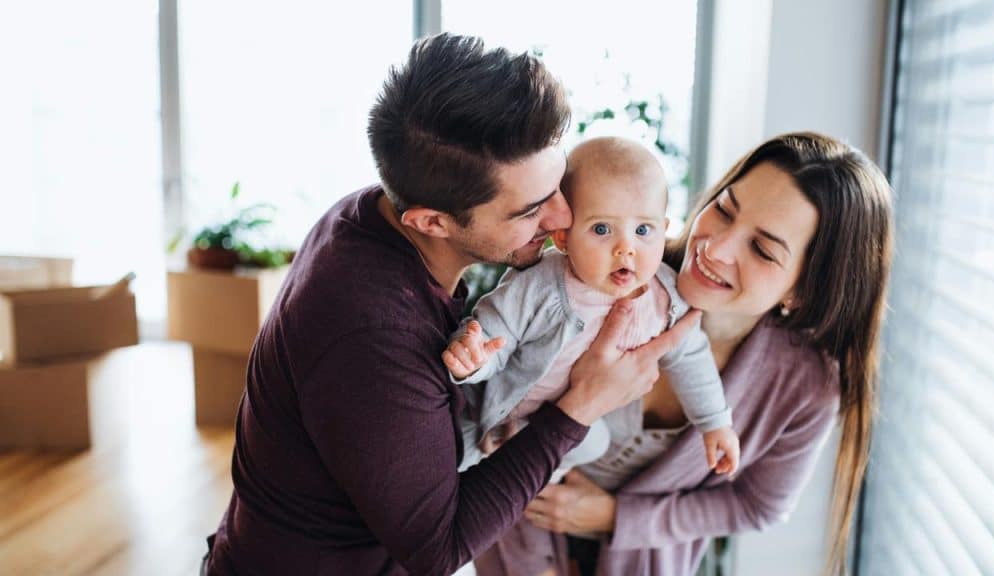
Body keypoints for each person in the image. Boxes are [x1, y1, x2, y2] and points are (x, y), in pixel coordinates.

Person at [201, 33, 699, 576]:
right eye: (532, 210)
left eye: (558, 187)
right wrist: (579, 408)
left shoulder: (376, 211)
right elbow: (439, 549)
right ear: (432, 222)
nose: (562, 218)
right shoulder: (372, 336)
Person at [474, 132, 893, 576]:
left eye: (762, 249)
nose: (716, 247)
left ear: (804, 290)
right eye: (725, 210)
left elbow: (757, 505)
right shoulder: (607, 275)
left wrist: (616, 517)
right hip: (514, 543)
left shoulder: (806, 388)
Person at [445, 137, 738, 484]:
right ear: (564, 237)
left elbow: (692, 358)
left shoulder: (667, 301)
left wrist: (715, 423)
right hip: (487, 408)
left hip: (555, 430)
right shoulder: (542, 285)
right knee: (443, 473)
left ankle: (534, 462)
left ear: (664, 230)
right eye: (602, 229)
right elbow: (494, 332)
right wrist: (475, 357)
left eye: (643, 230)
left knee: (595, 442)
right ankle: (495, 447)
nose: (625, 248)